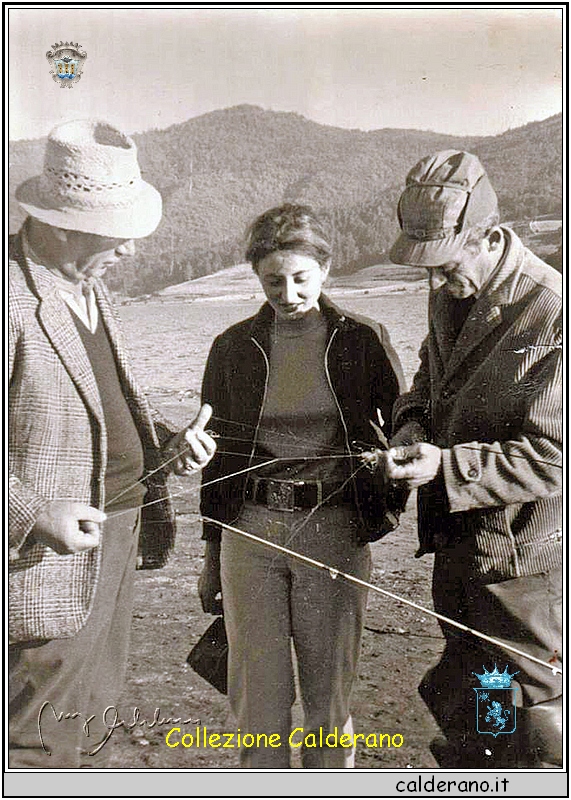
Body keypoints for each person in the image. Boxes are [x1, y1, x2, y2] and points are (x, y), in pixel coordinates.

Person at [9, 119, 216, 768]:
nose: (129, 250)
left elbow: (99, 410)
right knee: (35, 733)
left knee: (89, 713)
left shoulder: (88, 286)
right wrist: (33, 514)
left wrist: (165, 446)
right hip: (42, 555)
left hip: (117, 531)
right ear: (63, 223)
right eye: (118, 231)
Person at [198, 204, 406, 768]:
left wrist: (383, 501)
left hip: (333, 532)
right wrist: (211, 551)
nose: (286, 293)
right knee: (256, 698)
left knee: (327, 700)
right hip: (249, 533)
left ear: (326, 270)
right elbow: (216, 455)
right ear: (256, 278)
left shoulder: (364, 339)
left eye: (300, 279)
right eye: (272, 281)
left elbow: (409, 428)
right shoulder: (231, 347)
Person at [384, 150, 562, 768]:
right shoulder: (452, 293)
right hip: (458, 543)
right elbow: (427, 383)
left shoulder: (552, 309)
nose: (436, 283)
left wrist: (446, 468)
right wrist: (409, 424)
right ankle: (483, 773)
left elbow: (554, 458)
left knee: (535, 692)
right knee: (476, 678)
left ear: (488, 236)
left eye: (446, 268)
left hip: (523, 558)